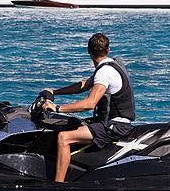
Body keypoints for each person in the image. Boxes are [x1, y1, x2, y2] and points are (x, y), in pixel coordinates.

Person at [41, 33, 135, 183]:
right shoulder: (111, 65)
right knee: (71, 123)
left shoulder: (104, 72)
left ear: (89, 52)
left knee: (63, 138)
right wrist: (55, 91)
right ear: (108, 49)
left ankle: (58, 184)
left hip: (115, 126)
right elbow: (84, 85)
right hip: (111, 122)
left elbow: (89, 103)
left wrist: (57, 108)